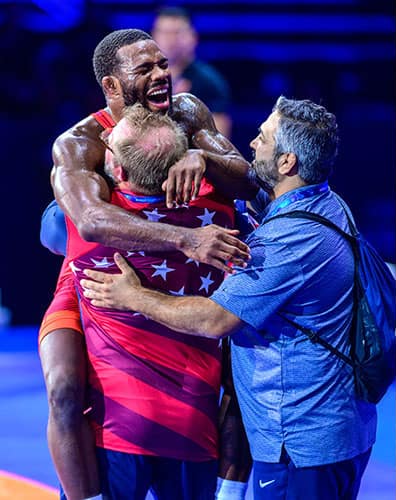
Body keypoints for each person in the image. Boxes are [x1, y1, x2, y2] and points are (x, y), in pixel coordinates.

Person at [80, 97, 377, 500]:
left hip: (302, 439)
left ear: (287, 162)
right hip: (332, 427)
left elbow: (215, 319)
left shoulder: (287, 243)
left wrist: (134, 296)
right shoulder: (325, 203)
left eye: (264, 138)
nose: (252, 144)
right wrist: (201, 156)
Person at [40, 28, 255, 500]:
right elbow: (93, 222)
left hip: (170, 261)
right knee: (63, 389)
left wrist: (201, 155)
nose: (162, 76)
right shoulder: (80, 144)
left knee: (245, 364)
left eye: (162, 64)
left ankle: (227, 488)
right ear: (112, 87)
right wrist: (187, 239)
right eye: (146, 70)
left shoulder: (188, 110)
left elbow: (247, 180)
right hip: (94, 270)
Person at [59, 104, 235, 498]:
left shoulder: (78, 225)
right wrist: (201, 156)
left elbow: (52, 227)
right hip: (194, 431)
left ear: (116, 171)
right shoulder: (221, 221)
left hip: (117, 433)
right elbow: (246, 182)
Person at [152, 6, 233, 138]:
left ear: (193, 37)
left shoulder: (209, 82)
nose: (170, 40)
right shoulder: (144, 78)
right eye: (164, 32)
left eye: (177, 33)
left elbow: (219, 138)